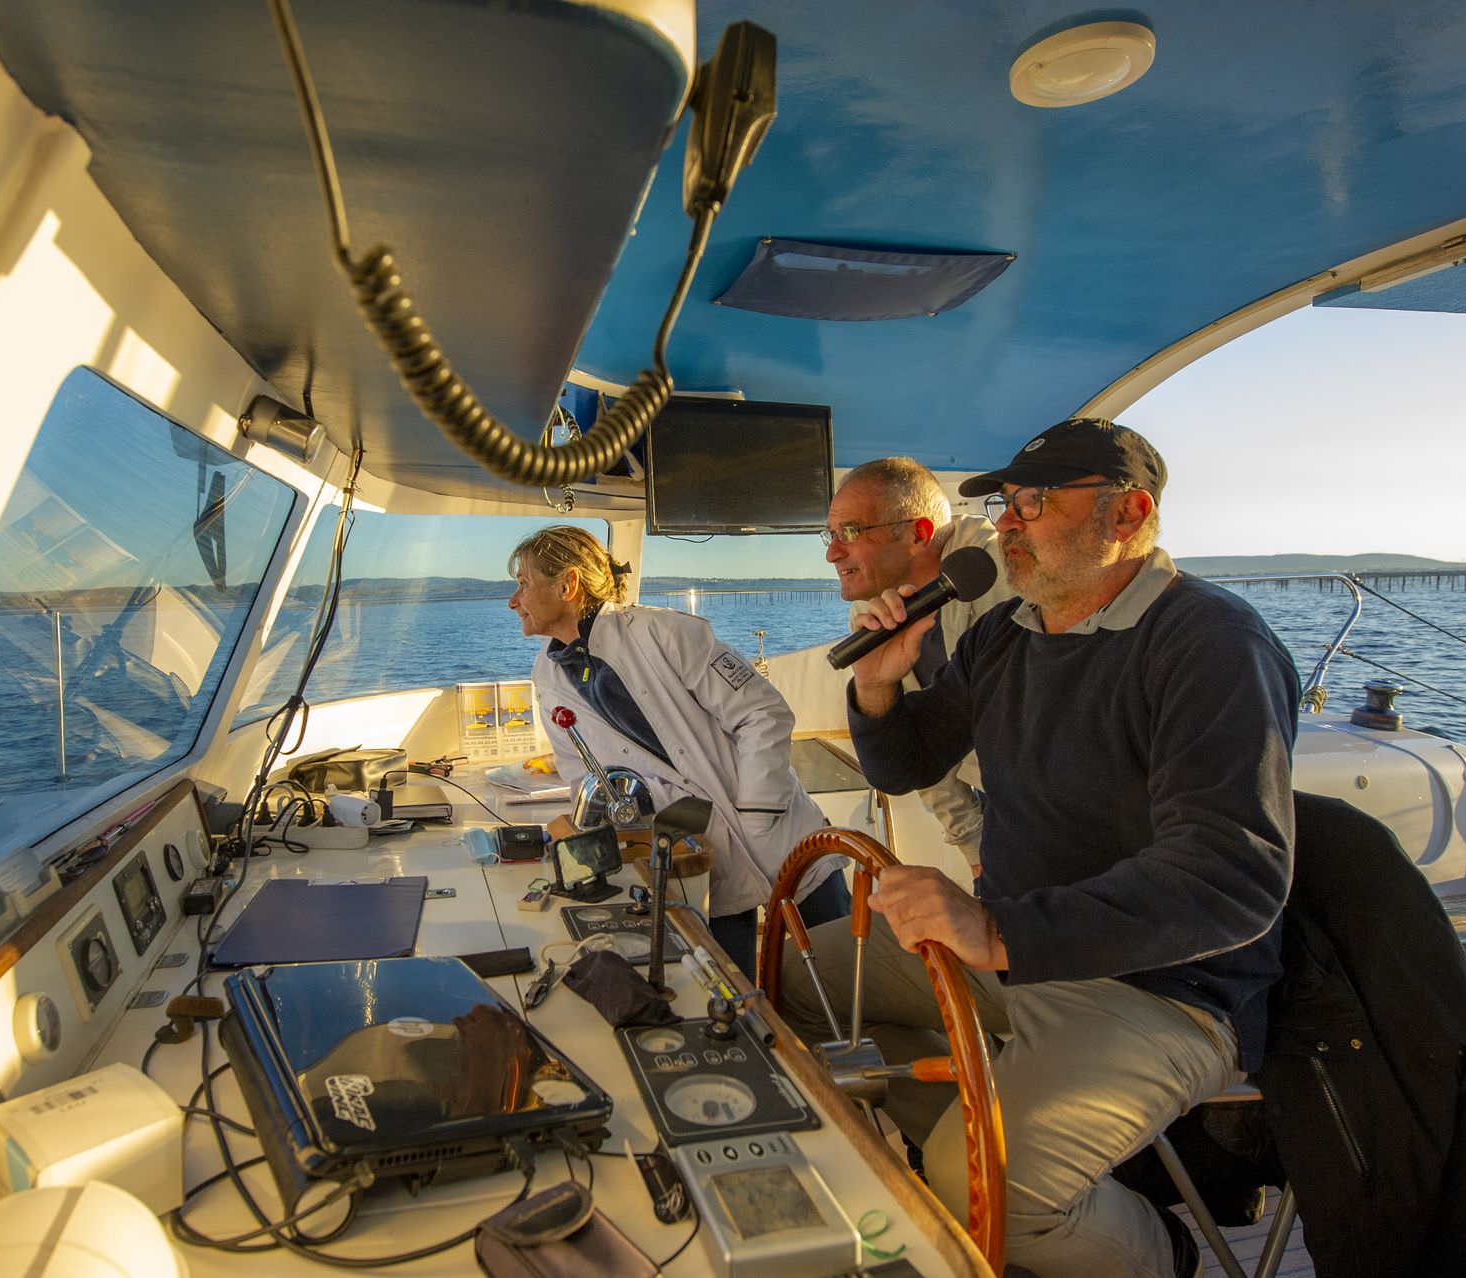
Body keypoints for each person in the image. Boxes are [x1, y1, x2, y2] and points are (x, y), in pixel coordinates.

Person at [779, 419, 1298, 1278]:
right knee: (793, 982)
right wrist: (875, 685)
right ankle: (961, 1126)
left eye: (1033, 502)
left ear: (1127, 515)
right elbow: (912, 759)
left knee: (978, 1185)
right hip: (1015, 945)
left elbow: (1232, 878)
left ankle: (1158, 1253)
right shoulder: (1007, 632)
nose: (1007, 522)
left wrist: (998, 934)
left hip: (1161, 986)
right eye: (1005, 502)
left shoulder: (1211, 645)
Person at [509, 526, 849, 978]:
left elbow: (764, 714)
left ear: (568, 585)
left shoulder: (665, 633)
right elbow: (585, 779)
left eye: (524, 584)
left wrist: (757, 815)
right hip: (697, 858)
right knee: (733, 991)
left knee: (846, 976)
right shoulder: (548, 677)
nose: (514, 601)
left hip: (780, 836)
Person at [823, 457, 1011, 874]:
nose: (833, 553)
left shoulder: (1003, 578)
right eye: (831, 535)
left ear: (918, 534)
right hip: (1007, 815)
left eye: (850, 532)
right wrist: (975, 849)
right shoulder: (879, 610)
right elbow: (923, 755)